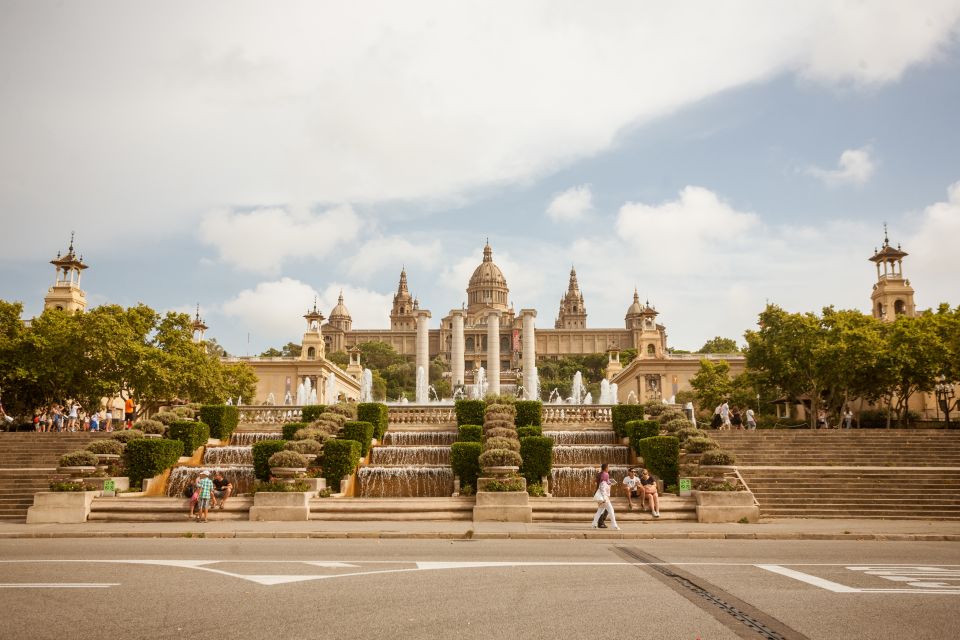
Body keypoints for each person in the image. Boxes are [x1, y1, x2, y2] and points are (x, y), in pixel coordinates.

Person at [591, 463, 620, 530]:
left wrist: (609, 483)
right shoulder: (605, 474)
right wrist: (605, 498)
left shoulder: (600, 474)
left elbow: (600, 483)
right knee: (611, 510)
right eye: (608, 467)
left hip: (600, 495)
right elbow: (603, 486)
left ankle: (594, 524)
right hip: (604, 497)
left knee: (600, 511)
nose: (609, 468)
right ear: (606, 468)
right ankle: (615, 525)